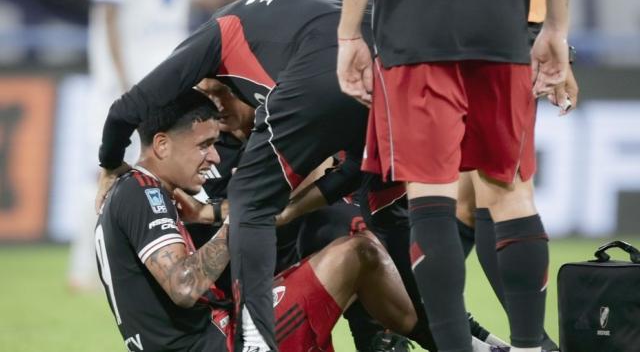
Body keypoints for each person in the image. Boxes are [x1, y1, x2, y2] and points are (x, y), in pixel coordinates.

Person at [336, 0, 573, 352]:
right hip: (502, 31)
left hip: (416, 32)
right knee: (511, 195)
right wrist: (556, 28)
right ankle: (529, 346)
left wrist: (350, 33)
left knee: (431, 201)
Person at [95, 88, 435, 352]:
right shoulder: (142, 192)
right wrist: (242, 218)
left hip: (217, 334)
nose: (214, 157)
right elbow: (184, 286)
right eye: (204, 145)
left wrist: (227, 214)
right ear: (162, 144)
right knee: (359, 252)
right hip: (222, 343)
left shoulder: (137, 193)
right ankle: (450, 340)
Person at [69, 0, 193, 290]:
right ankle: (84, 270)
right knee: (103, 168)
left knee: (169, 170)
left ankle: (156, 261)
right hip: (121, 85)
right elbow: (108, 18)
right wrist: (125, 85)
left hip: (169, 79)